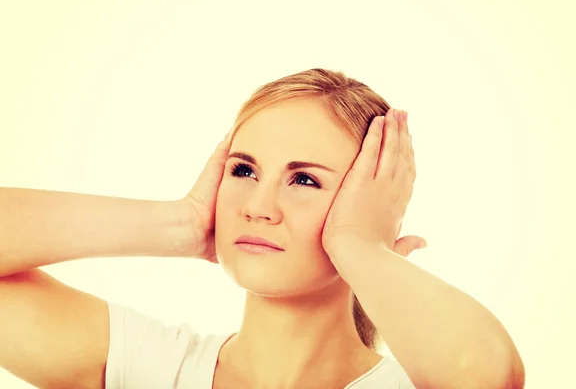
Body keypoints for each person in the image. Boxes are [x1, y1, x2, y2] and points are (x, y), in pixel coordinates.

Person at [0, 68, 525, 388]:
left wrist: (360, 247)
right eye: (244, 170)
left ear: (367, 208)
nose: (258, 205)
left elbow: (484, 379)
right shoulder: (149, 367)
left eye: (304, 180)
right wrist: (181, 224)